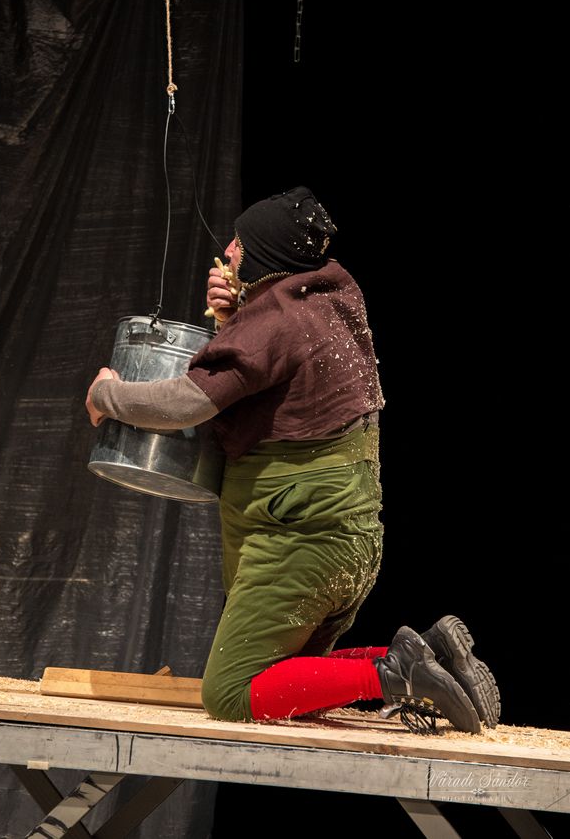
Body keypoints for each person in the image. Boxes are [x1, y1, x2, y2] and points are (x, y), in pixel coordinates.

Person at [86, 187, 500, 734]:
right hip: (348, 539)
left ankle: (397, 673)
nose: (228, 251)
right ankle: (429, 657)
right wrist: (235, 315)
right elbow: (276, 368)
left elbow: (188, 402)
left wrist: (107, 396)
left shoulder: (275, 322)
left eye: (239, 243)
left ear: (263, 253)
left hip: (299, 542)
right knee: (286, 678)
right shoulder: (332, 295)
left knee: (232, 691)